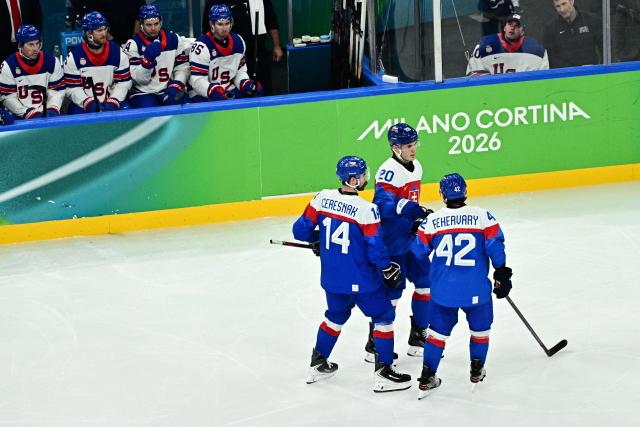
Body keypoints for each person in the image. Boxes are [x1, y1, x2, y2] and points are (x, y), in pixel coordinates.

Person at [292, 155, 412, 393]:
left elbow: (300, 230)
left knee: (334, 316)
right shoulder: (367, 210)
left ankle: (318, 363)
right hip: (362, 279)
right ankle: (384, 372)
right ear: (355, 180)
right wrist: (387, 267)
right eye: (364, 174)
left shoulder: (321, 198)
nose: (367, 177)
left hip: (332, 279)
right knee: (384, 315)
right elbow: (375, 249)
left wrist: (316, 239)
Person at [415, 173, 513, 399]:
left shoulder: (432, 221)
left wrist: (418, 231)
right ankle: (477, 369)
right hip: (476, 289)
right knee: (480, 330)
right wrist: (501, 273)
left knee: (437, 334)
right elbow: (495, 247)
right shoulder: (483, 217)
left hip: (442, 292)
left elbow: (419, 251)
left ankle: (428, 375)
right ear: (465, 191)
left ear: (442, 195)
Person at [367, 123, 433, 361]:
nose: (413, 149)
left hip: (411, 239)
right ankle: (374, 343)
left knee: (426, 283)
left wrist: (417, 216)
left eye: (415, 144)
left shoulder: (417, 167)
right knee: (393, 294)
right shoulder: (388, 171)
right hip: (392, 243)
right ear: (396, 148)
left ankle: (418, 336)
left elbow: (411, 202)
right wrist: (406, 208)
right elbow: (381, 205)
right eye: (408, 146)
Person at [201, 0, 283, 95]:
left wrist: (277, 46)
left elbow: (271, 20)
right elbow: (206, 29)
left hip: (257, 50)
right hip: (230, 55)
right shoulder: (214, 3)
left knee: (261, 87)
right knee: (232, 90)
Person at [189, 4, 262, 102]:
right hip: (202, 92)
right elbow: (197, 81)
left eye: (227, 23)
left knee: (256, 94)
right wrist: (212, 91)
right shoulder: (202, 46)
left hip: (227, 88)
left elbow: (240, 72)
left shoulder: (239, 42)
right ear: (211, 24)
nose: (224, 28)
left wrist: (245, 83)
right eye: (220, 24)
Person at [123, 5, 192, 108]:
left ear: (161, 21)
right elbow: (138, 80)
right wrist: (146, 62)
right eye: (148, 25)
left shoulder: (173, 39)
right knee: (152, 114)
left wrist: (177, 83)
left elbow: (182, 66)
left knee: (186, 108)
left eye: (156, 24)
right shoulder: (133, 45)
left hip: (167, 88)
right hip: (142, 92)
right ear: (141, 24)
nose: (153, 28)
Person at [63, 11, 131, 114]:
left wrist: (114, 100)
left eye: (105, 29)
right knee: (76, 115)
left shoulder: (118, 52)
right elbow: (72, 88)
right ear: (88, 33)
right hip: (84, 103)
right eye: (99, 30)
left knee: (128, 113)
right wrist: (87, 102)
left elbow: (124, 82)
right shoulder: (74, 56)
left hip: (111, 100)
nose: (104, 34)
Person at [0, 25, 64, 119]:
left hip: (47, 113)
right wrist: (27, 113)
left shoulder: (52, 62)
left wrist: (52, 109)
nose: (36, 49)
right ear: (20, 45)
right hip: (20, 115)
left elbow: (57, 92)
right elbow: (8, 97)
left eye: (37, 43)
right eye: (31, 45)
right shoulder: (8, 66)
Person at [466, 13, 549, 76]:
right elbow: (473, 74)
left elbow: (545, 77)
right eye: (509, 24)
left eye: (516, 26)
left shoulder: (536, 49)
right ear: (504, 27)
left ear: (522, 31)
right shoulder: (485, 44)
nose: (512, 28)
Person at [543, 0, 602, 68]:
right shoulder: (550, 29)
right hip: (565, 75)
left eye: (564, 4)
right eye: (558, 6)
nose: (562, 9)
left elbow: (605, 46)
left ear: (572, 2)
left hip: (591, 72)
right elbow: (550, 57)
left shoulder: (591, 20)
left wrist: (603, 69)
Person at [68, 0, 147, 45]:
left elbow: (141, 10)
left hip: (132, 36)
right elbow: (93, 13)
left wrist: (134, 38)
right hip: (107, 38)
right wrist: (111, 41)